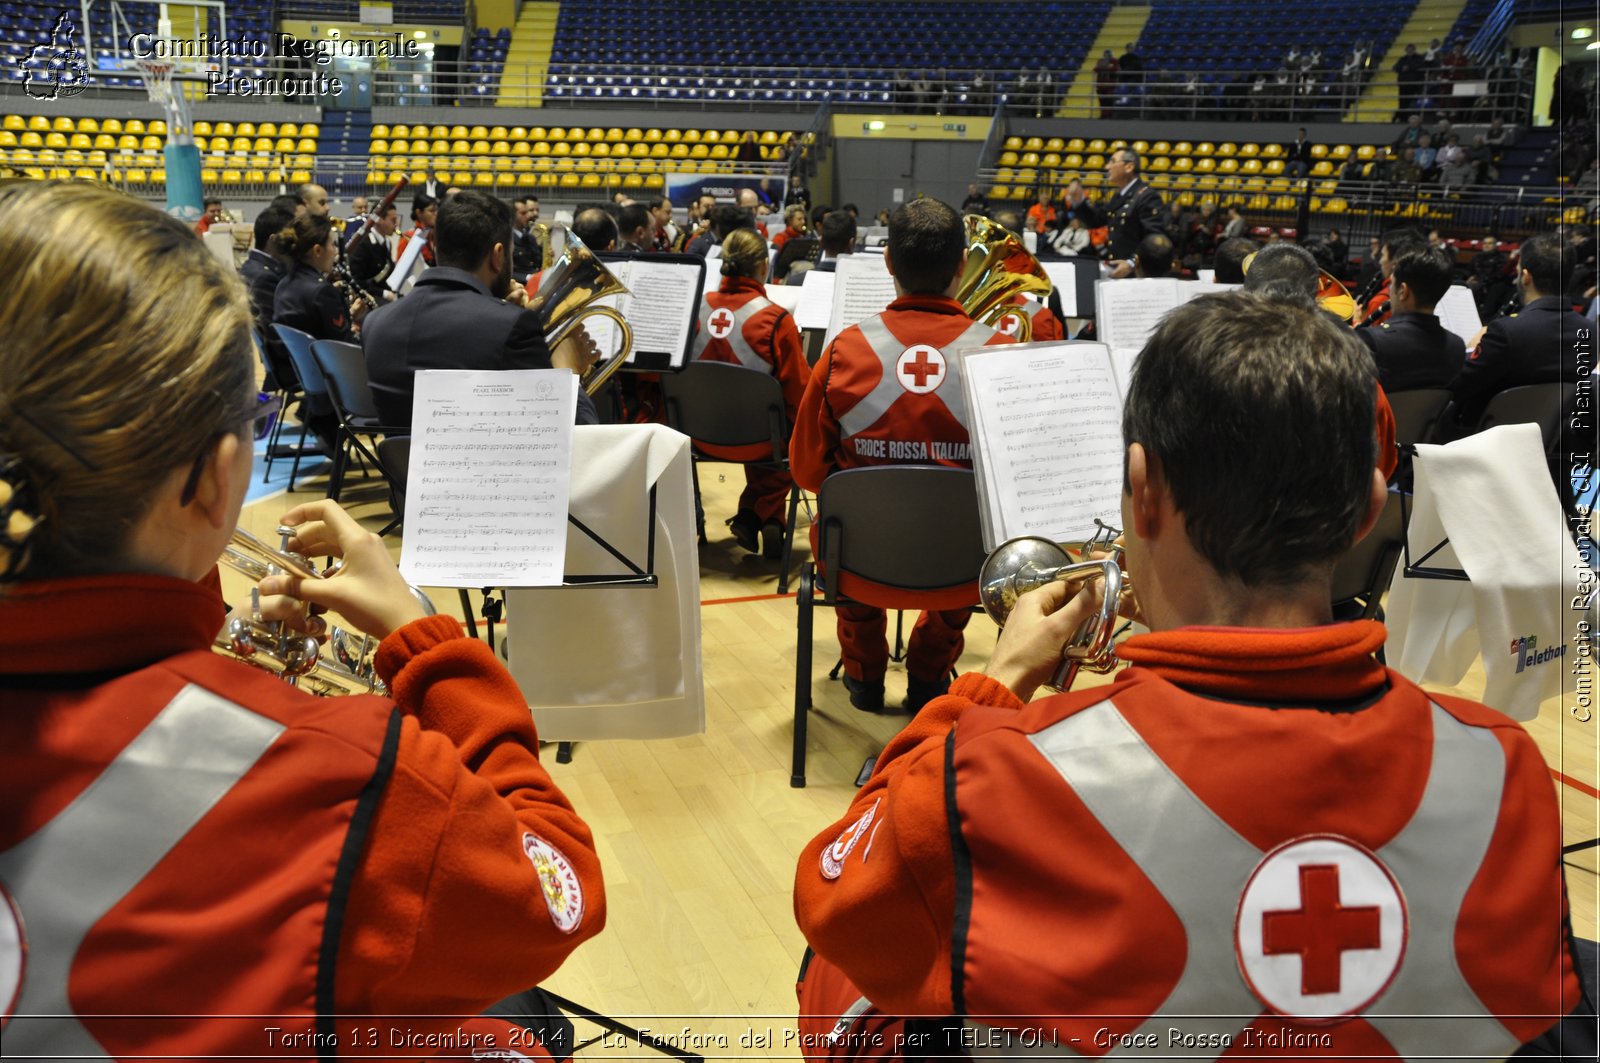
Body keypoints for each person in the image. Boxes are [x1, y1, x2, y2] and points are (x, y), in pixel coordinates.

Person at [792, 289, 1586, 1059]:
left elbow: (834, 910)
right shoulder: (1505, 764)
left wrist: (989, 688)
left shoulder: (991, 776)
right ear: (1370, 505)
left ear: (1142, 491)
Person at [0, 180, 606, 1059]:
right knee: (516, 1035)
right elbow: (558, 893)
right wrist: (423, 639)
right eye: (252, 416)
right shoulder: (335, 768)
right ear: (212, 477)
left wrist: (212, 656)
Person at [790, 199, 1015, 714]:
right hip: (963, 569)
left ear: (888, 262)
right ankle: (929, 671)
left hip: (859, 562)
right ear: (962, 266)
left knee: (843, 525)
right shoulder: (999, 354)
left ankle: (864, 674)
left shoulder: (844, 350)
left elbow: (805, 471)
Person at [363, 190, 601, 428]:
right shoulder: (512, 325)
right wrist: (569, 374)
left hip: (396, 465)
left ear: (437, 249)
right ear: (498, 256)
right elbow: (576, 432)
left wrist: (501, 312)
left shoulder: (374, 323)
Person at [691, 228, 809, 557]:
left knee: (768, 422)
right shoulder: (775, 320)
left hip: (698, 437)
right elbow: (798, 397)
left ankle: (769, 522)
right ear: (762, 267)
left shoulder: (694, 312)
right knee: (791, 432)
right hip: (759, 441)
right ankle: (755, 514)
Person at [1449, 230, 1591, 433]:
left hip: (1482, 440)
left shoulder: (1506, 331)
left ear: (1525, 277)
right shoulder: (1590, 332)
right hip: (1546, 442)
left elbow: (1458, 388)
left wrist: (1470, 350)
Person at [1356, 245, 1466, 393]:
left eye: (1392, 284)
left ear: (1403, 291)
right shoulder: (1457, 346)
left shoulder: (1372, 340)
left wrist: (1350, 339)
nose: (1390, 291)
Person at [1067, 148, 1167, 277]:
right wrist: (1079, 200)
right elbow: (1097, 220)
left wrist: (1132, 263)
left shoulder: (1147, 196)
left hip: (1138, 273)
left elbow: (1154, 239)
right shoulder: (1120, 195)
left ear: (1129, 167)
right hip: (1118, 271)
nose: (1107, 166)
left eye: (1112, 162)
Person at [273, 213, 359, 344]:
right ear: (317, 251)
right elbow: (345, 346)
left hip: (300, 362)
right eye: (332, 245)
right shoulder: (322, 292)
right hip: (327, 363)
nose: (335, 251)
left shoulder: (284, 283)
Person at [347, 201, 401, 307]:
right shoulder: (362, 244)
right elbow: (356, 280)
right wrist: (384, 293)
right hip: (364, 301)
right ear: (379, 220)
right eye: (393, 220)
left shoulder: (386, 242)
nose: (396, 224)